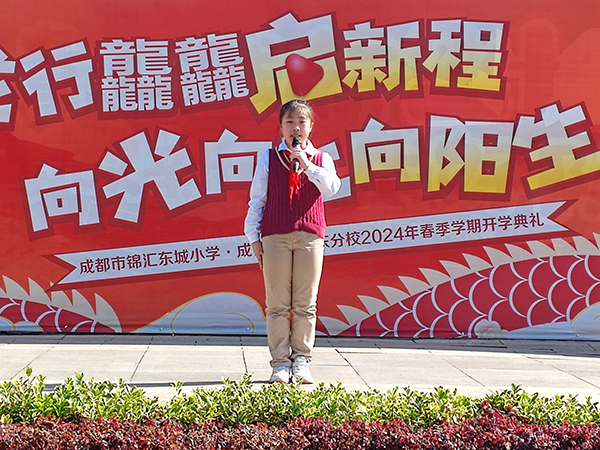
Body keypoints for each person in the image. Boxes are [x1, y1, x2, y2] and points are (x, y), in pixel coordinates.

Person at [244, 99, 341, 383]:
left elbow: (332, 188)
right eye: (289, 122)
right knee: (276, 304)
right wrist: (253, 237)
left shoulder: (321, 158)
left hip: (310, 236)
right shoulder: (268, 158)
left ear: (311, 127)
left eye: (301, 122)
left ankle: (301, 360)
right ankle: (279, 364)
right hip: (275, 235)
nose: (295, 128)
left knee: (305, 303)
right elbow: (257, 200)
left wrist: (307, 164)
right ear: (281, 127)